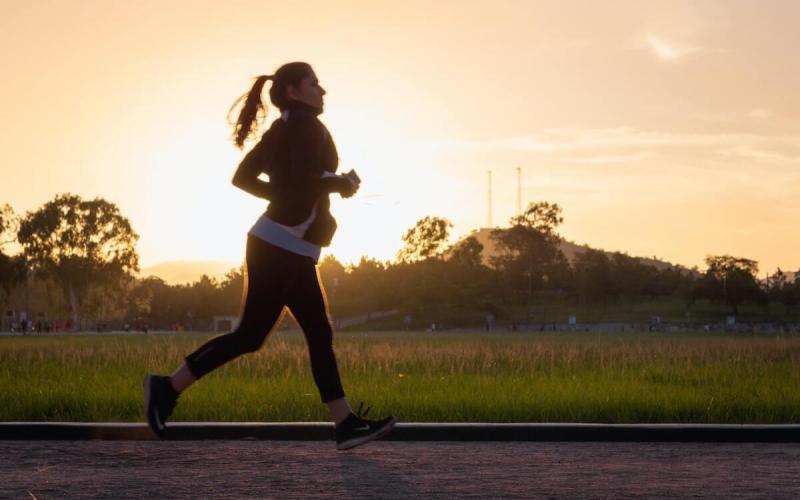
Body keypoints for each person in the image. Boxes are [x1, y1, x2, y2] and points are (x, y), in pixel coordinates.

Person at [144, 62, 396, 450]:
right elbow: (300, 181)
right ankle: (165, 387)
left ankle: (345, 423)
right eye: (314, 83)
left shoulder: (285, 128)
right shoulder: (303, 128)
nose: (322, 91)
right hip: (278, 247)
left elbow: (246, 177)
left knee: (308, 332)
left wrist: (291, 196)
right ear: (294, 91)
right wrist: (340, 183)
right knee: (258, 335)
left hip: (285, 245)